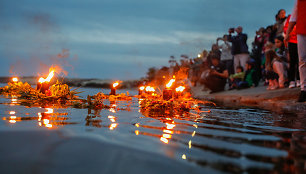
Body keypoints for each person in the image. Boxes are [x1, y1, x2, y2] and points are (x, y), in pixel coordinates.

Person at [285, 0, 306, 102]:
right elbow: (294, 16)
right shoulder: (299, 1)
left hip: (301, 30)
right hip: (302, 29)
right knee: (302, 59)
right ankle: (304, 89)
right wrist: (288, 33)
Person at [284, 14, 300, 89]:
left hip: (301, 40)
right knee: (293, 61)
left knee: (300, 61)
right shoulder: (291, 16)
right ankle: (292, 80)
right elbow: (286, 29)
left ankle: (299, 79)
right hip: (292, 41)